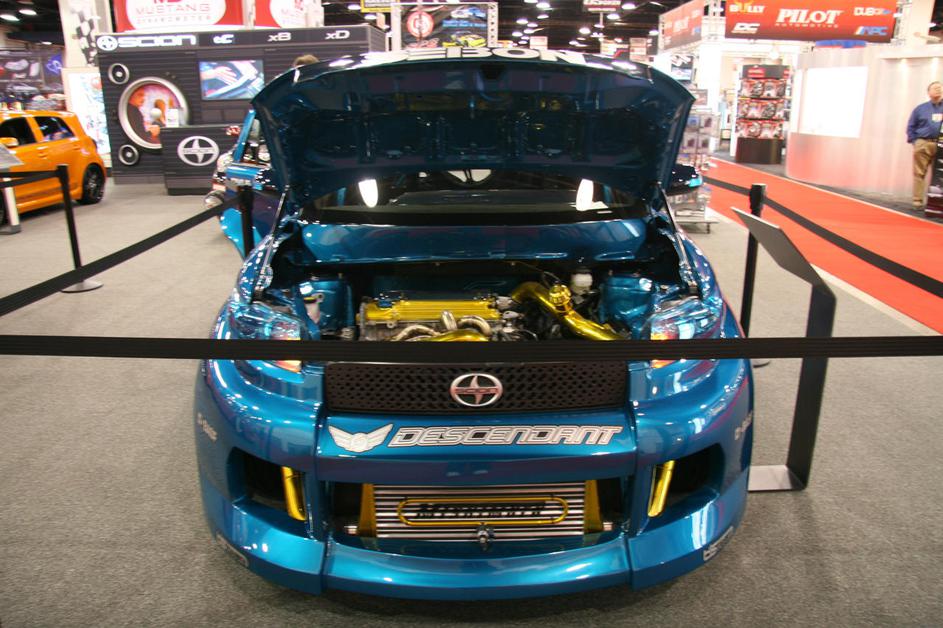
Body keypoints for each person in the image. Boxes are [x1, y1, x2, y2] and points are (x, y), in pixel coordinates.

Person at [906, 81, 943, 210]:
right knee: (919, 173)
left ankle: (936, 202)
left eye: (940, 88)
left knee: (939, 175)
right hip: (923, 143)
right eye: (935, 88)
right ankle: (917, 200)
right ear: (928, 92)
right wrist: (915, 142)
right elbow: (911, 126)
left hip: (941, 144)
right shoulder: (920, 109)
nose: (938, 90)